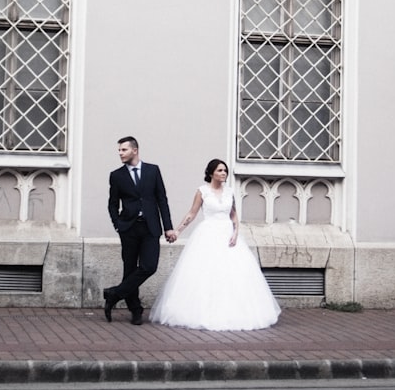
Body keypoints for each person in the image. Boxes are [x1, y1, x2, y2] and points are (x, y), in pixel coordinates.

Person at [151, 159, 280, 331]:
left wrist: (235, 233)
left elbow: (233, 214)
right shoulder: (202, 191)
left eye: (225, 170)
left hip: (227, 235)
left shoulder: (229, 192)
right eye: (220, 170)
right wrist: (177, 231)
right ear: (211, 173)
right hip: (208, 234)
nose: (224, 173)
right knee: (206, 272)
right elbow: (192, 214)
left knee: (233, 272)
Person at [105, 136, 176, 324]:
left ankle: (114, 294)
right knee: (129, 269)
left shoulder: (153, 171)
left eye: (124, 150)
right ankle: (135, 310)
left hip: (150, 227)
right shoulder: (116, 175)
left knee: (149, 266)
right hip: (128, 228)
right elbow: (112, 204)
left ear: (135, 150)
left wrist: (168, 227)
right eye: (119, 150)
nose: (120, 153)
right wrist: (118, 224)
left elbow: (162, 199)